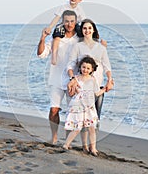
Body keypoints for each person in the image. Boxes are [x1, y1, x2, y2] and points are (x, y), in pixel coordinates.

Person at [67, 18, 114, 152]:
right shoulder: (77, 46)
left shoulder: (101, 47)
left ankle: (93, 146)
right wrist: (72, 79)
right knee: (83, 117)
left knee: (95, 118)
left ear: (94, 30)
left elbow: (107, 66)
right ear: (82, 31)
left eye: (89, 28)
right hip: (82, 88)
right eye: (84, 28)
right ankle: (85, 146)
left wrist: (109, 80)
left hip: (97, 87)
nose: (87, 30)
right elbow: (70, 64)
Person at [37, 10, 79, 145]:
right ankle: (54, 137)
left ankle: (68, 141)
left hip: (73, 80)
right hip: (56, 79)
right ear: (62, 22)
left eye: (72, 21)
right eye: (67, 21)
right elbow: (41, 54)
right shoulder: (56, 38)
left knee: (71, 112)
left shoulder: (79, 38)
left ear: (76, 21)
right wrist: (42, 38)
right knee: (54, 109)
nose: (69, 24)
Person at [63, 56, 105, 156]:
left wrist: (105, 89)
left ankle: (93, 148)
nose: (85, 70)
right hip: (78, 106)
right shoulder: (76, 79)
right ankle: (66, 144)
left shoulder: (93, 79)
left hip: (89, 107)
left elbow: (96, 93)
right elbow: (72, 93)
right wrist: (73, 90)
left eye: (88, 68)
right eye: (83, 67)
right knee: (77, 128)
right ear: (80, 67)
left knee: (91, 127)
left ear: (92, 70)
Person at [45, 0, 85, 65]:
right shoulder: (64, 7)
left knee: (81, 35)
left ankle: (80, 56)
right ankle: (54, 57)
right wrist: (49, 27)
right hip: (63, 25)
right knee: (57, 36)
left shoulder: (80, 9)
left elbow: (84, 21)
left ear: (80, 0)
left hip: (74, 26)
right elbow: (56, 18)